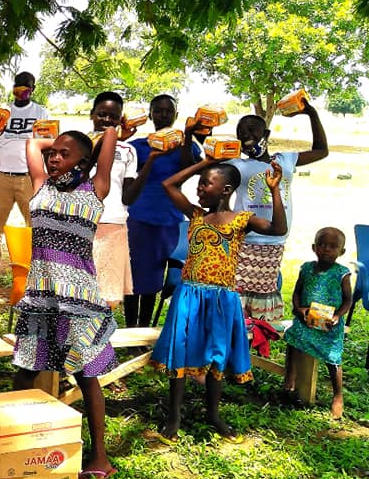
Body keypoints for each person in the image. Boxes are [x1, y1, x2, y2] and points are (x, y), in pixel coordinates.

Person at [12, 127, 120, 479]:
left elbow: (110, 137)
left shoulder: (95, 190)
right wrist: (64, 144)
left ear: (84, 163)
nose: (54, 158)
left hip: (79, 302)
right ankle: (15, 444)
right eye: (53, 153)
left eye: (64, 154)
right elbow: (33, 143)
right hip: (41, 298)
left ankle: (100, 454)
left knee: (86, 376)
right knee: (25, 371)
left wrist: (93, 141)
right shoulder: (41, 185)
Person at [151, 157, 286, 444]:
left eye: (206, 183)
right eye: (199, 183)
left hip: (222, 298)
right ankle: (174, 417)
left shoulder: (242, 220)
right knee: (180, 351)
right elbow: (169, 185)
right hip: (189, 295)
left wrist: (275, 189)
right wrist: (205, 163)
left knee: (217, 356)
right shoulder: (196, 215)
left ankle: (213, 414)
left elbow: (278, 229)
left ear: (225, 190)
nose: (199, 188)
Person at [232, 98, 328, 321]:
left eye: (252, 130)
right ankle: (236, 338)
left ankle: (257, 337)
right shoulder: (236, 164)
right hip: (244, 240)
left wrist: (312, 114)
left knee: (263, 296)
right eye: (241, 132)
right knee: (237, 298)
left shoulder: (285, 160)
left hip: (275, 241)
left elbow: (321, 150)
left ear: (265, 134)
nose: (246, 135)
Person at [124, 95, 200, 326]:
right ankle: (131, 328)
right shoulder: (138, 146)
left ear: (176, 115)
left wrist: (188, 136)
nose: (163, 115)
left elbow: (189, 168)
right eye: (158, 110)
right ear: (150, 114)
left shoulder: (187, 147)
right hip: (139, 217)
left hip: (169, 219)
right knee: (133, 276)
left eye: (168, 111)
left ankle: (144, 328)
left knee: (154, 278)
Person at [0, 71, 49, 286]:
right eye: (18, 85)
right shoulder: (3, 112)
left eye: (27, 86)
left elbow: (46, 145)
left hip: (28, 178)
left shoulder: (41, 112)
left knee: (34, 227)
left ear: (33, 89)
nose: (22, 89)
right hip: (2, 177)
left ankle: (36, 273)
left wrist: (47, 178)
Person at [282, 227, 352, 418]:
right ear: (314, 247)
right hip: (306, 320)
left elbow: (348, 300)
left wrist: (337, 316)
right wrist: (299, 309)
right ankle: (291, 375)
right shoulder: (306, 268)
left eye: (332, 246)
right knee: (293, 338)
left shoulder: (342, 273)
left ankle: (338, 396)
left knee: (332, 358)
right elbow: (297, 292)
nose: (326, 249)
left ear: (341, 252)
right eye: (321, 244)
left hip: (329, 326)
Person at [87, 91, 140, 310]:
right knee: (78, 286)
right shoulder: (79, 143)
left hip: (112, 223)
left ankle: (101, 330)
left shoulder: (127, 150)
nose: (107, 120)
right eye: (102, 114)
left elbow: (128, 195)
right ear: (92, 114)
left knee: (108, 293)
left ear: (121, 120)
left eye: (113, 116)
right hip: (81, 220)